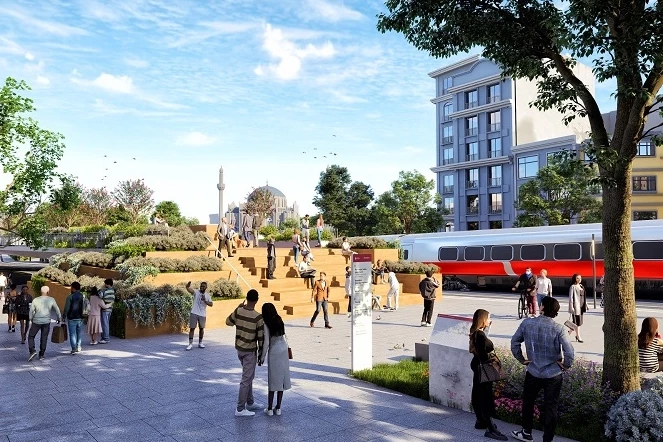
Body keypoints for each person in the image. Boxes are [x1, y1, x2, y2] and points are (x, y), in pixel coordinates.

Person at [510, 296, 574, 442]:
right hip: (553, 374)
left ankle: (526, 433)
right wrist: (566, 365)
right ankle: (547, 439)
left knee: (528, 402)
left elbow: (514, 342)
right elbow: (569, 352)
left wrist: (521, 359)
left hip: (533, 371)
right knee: (551, 407)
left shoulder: (527, 323)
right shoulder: (559, 328)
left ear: (543, 307)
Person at [470, 309, 508, 441]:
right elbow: (483, 354)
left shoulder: (476, 333)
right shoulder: (480, 335)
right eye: (488, 318)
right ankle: (490, 428)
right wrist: (489, 370)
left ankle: (480, 420)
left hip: (477, 365)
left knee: (477, 393)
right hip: (484, 367)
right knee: (485, 396)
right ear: (483, 320)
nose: (490, 320)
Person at [226, 289, 264, 417]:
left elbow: (228, 322)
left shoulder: (238, 311)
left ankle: (250, 402)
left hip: (239, 349)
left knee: (249, 376)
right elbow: (260, 339)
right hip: (250, 351)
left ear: (246, 298)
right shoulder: (258, 317)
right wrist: (261, 355)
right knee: (246, 379)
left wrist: (237, 308)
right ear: (257, 300)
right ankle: (240, 408)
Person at [259, 303, 291, 416]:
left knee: (273, 380)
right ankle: (278, 408)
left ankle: (269, 408)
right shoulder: (279, 319)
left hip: (274, 351)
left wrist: (262, 357)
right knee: (281, 379)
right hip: (283, 349)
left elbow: (267, 342)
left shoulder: (266, 323)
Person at [28, 286, 62, 361]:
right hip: (46, 322)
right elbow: (57, 309)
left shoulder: (36, 300)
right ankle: (41, 354)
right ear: (48, 292)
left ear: (40, 292)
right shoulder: (51, 299)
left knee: (31, 336)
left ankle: (32, 351)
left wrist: (31, 318)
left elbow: (31, 311)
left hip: (36, 321)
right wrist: (59, 318)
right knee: (44, 337)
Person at [185, 281, 213, 350]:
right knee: (192, 328)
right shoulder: (196, 292)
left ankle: (200, 343)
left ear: (206, 287)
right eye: (201, 286)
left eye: (203, 286)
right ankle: (190, 344)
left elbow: (211, 304)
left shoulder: (207, 295)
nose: (202, 287)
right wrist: (187, 286)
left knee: (201, 328)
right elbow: (188, 289)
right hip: (194, 312)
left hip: (202, 314)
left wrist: (205, 301)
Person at [63, 281, 86, 355]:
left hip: (72, 318)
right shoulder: (83, 296)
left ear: (73, 288)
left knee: (72, 334)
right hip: (80, 318)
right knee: (79, 332)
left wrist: (64, 316)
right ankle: (78, 346)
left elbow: (66, 308)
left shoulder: (70, 297)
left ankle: (73, 348)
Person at [568, 274, 586, 343]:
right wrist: (571, 307)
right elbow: (571, 298)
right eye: (577, 278)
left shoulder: (581, 286)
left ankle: (568, 333)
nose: (579, 279)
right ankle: (578, 336)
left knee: (578, 322)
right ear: (574, 279)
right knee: (577, 322)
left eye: (580, 278)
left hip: (581, 306)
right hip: (576, 306)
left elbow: (583, 296)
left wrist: (586, 304)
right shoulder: (573, 287)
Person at [99, 278, 115, 344]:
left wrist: (100, 291)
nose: (104, 285)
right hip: (110, 309)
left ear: (107, 284)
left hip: (105, 309)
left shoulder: (105, 291)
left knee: (104, 324)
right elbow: (112, 300)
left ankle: (106, 338)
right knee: (106, 323)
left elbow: (101, 297)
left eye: (105, 283)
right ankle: (104, 338)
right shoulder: (112, 291)